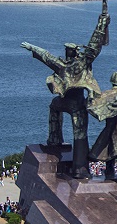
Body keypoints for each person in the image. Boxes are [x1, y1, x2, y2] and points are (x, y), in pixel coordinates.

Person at [22, 11, 109, 179]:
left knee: (65, 119)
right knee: (79, 133)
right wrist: (33, 48)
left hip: (69, 103)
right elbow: (46, 56)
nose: (67, 52)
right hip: (74, 104)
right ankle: (77, 166)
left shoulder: (68, 65)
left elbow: (93, 45)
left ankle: (61, 147)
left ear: (73, 53)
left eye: (69, 50)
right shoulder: (72, 65)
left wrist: (102, 24)